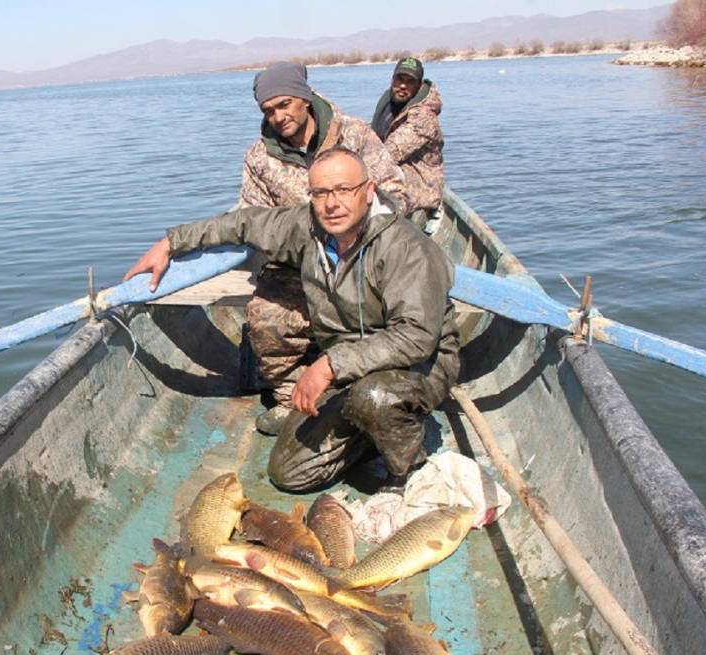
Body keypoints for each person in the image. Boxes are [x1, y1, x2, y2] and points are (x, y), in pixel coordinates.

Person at [125, 148, 459, 491]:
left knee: (375, 398)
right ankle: (374, 430)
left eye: (344, 190)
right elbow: (244, 223)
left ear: (369, 190)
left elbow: (416, 337)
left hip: (421, 366)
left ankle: (408, 470)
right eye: (320, 193)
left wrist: (327, 366)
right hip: (351, 369)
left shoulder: (407, 248)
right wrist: (172, 242)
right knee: (289, 475)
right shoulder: (308, 228)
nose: (331, 203)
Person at [240, 62, 407, 437]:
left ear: (304, 98)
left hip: (363, 256)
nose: (278, 116)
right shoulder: (258, 157)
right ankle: (289, 398)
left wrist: (358, 234)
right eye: (268, 110)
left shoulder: (355, 134)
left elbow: (396, 192)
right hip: (297, 265)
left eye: (285, 104)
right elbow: (253, 220)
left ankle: (367, 391)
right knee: (265, 318)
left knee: (385, 318)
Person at [371, 57, 445, 235]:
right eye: (399, 79)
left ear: (419, 86)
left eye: (410, 81)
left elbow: (389, 154)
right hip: (395, 174)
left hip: (420, 187)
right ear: (392, 80)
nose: (403, 86)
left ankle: (430, 213)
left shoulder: (423, 118)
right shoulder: (389, 105)